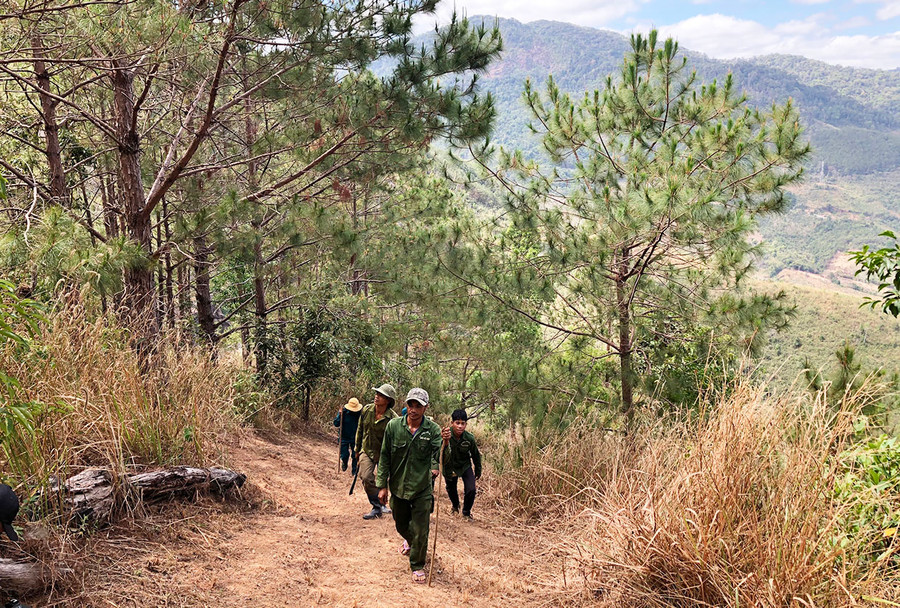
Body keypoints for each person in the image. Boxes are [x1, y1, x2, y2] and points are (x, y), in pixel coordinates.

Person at [376, 388, 443, 584]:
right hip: (398, 487)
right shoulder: (393, 427)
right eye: (411, 405)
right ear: (406, 405)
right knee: (401, 523)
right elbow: (385, 456)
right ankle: (414, 543)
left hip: (422, 487)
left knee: (422, 529)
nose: (414, 409)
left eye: (418, 406)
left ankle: (417, 564)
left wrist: (446, 445)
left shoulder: (433, 430)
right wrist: (382, 485)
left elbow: (440, 455)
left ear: (425, 408)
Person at [355, 383, 399, 520]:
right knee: (366, 477)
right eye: (377, 394)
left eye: (381, 395)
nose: (377, 397)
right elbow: (360, 430)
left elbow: (396, 441)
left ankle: (383, 502)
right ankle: (377, 506)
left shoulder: (393, 419)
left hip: (384, 454)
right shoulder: (367, 410)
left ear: (388, 400)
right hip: (367, 449)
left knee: (383, 481)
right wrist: (357, 449)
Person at [440, 408, 482, 520]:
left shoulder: (469, 438)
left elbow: (475, 455)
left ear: (466, 424)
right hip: (449, 466)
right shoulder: (445, 435)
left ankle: (466, 512)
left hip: (464, 466)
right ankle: (455, 505)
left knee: (471, 489)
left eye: (462, 423)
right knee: (451, 488)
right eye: (457, 423)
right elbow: (438, 453)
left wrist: (478, 470)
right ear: (452, 423)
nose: (460, 426)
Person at [333, 397, 362, 475]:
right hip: (344, 437)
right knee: (344, 454)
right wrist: (340, 415)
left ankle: (354, 472)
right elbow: (336, 423)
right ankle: (344, 462)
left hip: (355, 437)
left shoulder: (360, 413)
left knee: (355, 455)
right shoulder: (344, 412)